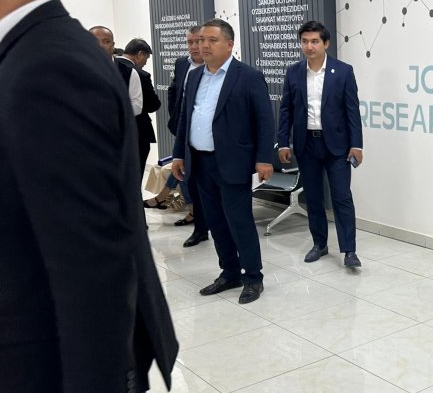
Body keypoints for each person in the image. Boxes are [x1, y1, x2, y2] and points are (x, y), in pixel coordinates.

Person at [0, 0, 204, 393]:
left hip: (47, 387)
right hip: (40, 376)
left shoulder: (47, 65)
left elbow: (94, 257)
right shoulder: (27, 55)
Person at [172, 18, 275, 304]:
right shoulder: (195, 76)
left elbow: (265, 121)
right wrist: (179, 153)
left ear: (229, 44)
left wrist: (264, 159)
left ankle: (253, 277)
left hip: (232, 162)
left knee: (239, 222)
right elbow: (185, 118)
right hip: (200, 162)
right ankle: (230, 272)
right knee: (216, 222)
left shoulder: (248, 76)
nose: (204, 45)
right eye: (201, 40)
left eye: (212, 40)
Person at [277, 20, 364, 268]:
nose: (309, 46)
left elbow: (352, 111)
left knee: (342, 197)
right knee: (313, 198)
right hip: (307, 145)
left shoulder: (343, 71)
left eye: (314, 41)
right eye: (304, 41)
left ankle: (349, 250)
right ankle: (319, 244)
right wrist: (283, 142)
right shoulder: (294, 72)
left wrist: (357, 145)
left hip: (337, 146)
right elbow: (286, 110)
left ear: (326, 43)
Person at [155, 26, 210, 246]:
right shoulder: (181, 64)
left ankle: (166, 198)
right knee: (188, 176)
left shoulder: (213, 67)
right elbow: (174, 90)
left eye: (199, 41)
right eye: (190, 42)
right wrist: (175, 118)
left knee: (202, 182)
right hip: (184, 130)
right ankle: (200, 227)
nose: (195, 46)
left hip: (208, 135)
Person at [119, 38, 162, 174]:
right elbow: (153, 104)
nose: (145, 63)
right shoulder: (140, 74)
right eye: (146, 58)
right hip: (137, 132)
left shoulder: (108, 68)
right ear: (140, 54)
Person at [90, 25, 144, 118]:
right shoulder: (77, 71)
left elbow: (137, 105)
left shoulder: (129, 72)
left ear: (113, 45)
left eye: (106, 41)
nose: (101, 46)